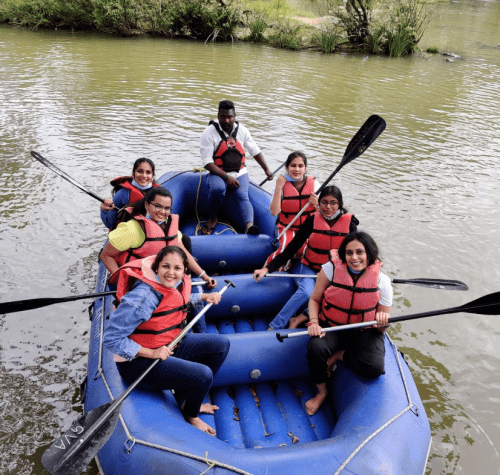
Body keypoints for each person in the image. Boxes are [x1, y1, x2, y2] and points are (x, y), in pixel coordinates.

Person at [103, 247, 230, 435]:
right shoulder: (143, 297)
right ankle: (191, 415)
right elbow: (111, 339)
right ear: (156, 268)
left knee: (221, 345)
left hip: (167, 345)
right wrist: (151, 352)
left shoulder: (175, 284)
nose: (171, 273)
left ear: (185, 271)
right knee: (203, 375)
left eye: (177, 268)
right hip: (138, 362)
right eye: (165, 266)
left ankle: (185, 401)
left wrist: (204, 297)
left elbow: (177, 301)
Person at [305, 231, 392, 416]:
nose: (354, 257)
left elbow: (382, 327)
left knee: (375, 368)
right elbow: (314, 300)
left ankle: (339, 356)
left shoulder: (382, 281)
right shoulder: (330, 269)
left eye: (360, 252)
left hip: (364, 330)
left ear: (369, 253)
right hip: (332, 325)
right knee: (315, 348)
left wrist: (382, 323)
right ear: (343, 255)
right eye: (349, 252)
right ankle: (322, 392)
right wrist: (314, 322)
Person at [253, 186, 358, 330]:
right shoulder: (312, 221)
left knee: (333, 295)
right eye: (324, 202)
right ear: (319, 203)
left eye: (333, 203)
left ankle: (299, 318)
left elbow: (355, 254)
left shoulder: (350, 226)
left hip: (333, 272)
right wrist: (267, 268)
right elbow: (292, 248)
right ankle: (275, 325)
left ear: (339, 204)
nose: (328, 207)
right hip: (310, 268)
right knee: (307, 292)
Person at [100, 187, 216, 287]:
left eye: (166, 208)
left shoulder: (169, 225)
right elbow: (106, 256)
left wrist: (204, 276)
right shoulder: (131, 229)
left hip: (163, 277)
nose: (162, 212)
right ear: (146, 205)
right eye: (158, 206)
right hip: (139, 280)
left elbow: (184, 253)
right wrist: (124, 282)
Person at [200, 99, 273, 235]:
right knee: (218, 188)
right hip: (217, 173)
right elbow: (207, 162)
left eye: (230, 117)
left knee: (242, 196)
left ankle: (249, 226)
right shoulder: (209, 133)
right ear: (218, 116)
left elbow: (255, 150)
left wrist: (266, 169)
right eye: (223, 117)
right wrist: (226, 177)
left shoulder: (242, 131)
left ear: (234, 116)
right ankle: (212, 218)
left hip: (240, 172)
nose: (227, 121)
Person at [266, 151, 319, 271]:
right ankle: (272, 272)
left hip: (308, 228)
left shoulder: (315, 184)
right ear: (287, 167)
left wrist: (317, 205)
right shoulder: (281, 185)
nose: (297, 169)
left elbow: (322, 213)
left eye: (300, 166)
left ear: (305, 168)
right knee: (285, 248)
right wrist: (279, 187)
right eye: (293, 165)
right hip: (287, 227)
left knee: (314, 248)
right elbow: (274, 212)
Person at [100, 158, 159, 229]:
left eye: (148, 172)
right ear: (133, 174)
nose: (144, 176)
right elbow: (110, 224)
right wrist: (104, 209)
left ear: (152, 176)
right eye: (140, 171)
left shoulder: (158, 193)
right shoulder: (123, 194)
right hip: (128, 235)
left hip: (151, 233)